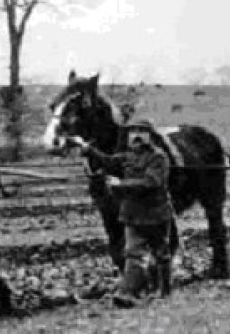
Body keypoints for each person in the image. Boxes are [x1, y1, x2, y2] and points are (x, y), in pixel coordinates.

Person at [66, 119, 174, 305]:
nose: (137, 136)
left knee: (161, 253)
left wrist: (120, 184)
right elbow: (107, 161)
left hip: (156, 215)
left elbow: (151, 182)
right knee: (133, 253)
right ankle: (127, 293)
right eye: (133, 132)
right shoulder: (126, 157)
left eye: (142, 131)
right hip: (132, 214)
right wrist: (87, 148)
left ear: (150, 136)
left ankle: (164, 290)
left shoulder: (159, 158)